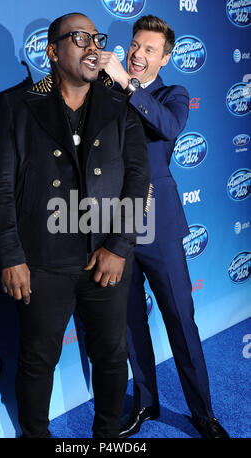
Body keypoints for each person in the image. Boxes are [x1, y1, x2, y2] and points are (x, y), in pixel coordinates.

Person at [0, 12, 150, 438]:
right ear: (52, 51)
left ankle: (108, 437)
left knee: (112, 357)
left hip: (106, 260)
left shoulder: (121, 105)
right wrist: (11, 255)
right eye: (79, 38)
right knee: (37, 360)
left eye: (96, 37)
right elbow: (0, 188)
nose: (92, 46)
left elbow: (138, 180)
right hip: (41, 263)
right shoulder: (15, 106)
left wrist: (119, 247)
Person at [100, 15, 229, 439]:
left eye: (149, 49)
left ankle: (203, 414)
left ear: (166, 57)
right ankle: (146, 404)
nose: (137, 54)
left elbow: (169, 127)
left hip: (159, 222)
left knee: (180, 319)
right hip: (112, 225)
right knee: (130, 322)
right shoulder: (108, 92)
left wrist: (127, 83)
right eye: (135, 45)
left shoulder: (174, 93)